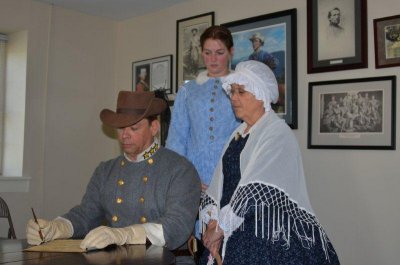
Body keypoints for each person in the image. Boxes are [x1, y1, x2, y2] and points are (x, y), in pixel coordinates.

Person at [26, 91, 201, 263]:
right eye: (120, 128)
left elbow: (177, 225)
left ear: (154, 127)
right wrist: (57, 227)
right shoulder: (105, 170)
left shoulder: (180, 169)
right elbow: (86, 214)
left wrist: (126, 234)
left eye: (134, 128)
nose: (124, 135)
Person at [200, 60, 340, 264]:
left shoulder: (277, 133)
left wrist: (220, 228)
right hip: (231, 229)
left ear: (261, 95)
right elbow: (220, 184)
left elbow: (254, 190)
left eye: (241, 92)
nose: (234, 98)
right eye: (232, 91)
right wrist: (213, 222)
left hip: (266, 234)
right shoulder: (238, 133)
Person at [167, 25, 240, 193]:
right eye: (207, 53)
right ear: (201, 52)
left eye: (219, 53)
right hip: (193, 178)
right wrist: (185, 178)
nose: (213, 59)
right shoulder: (187, 91)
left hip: (234, 175)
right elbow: (177, 139)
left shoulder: (243, 88)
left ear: (231, 52)